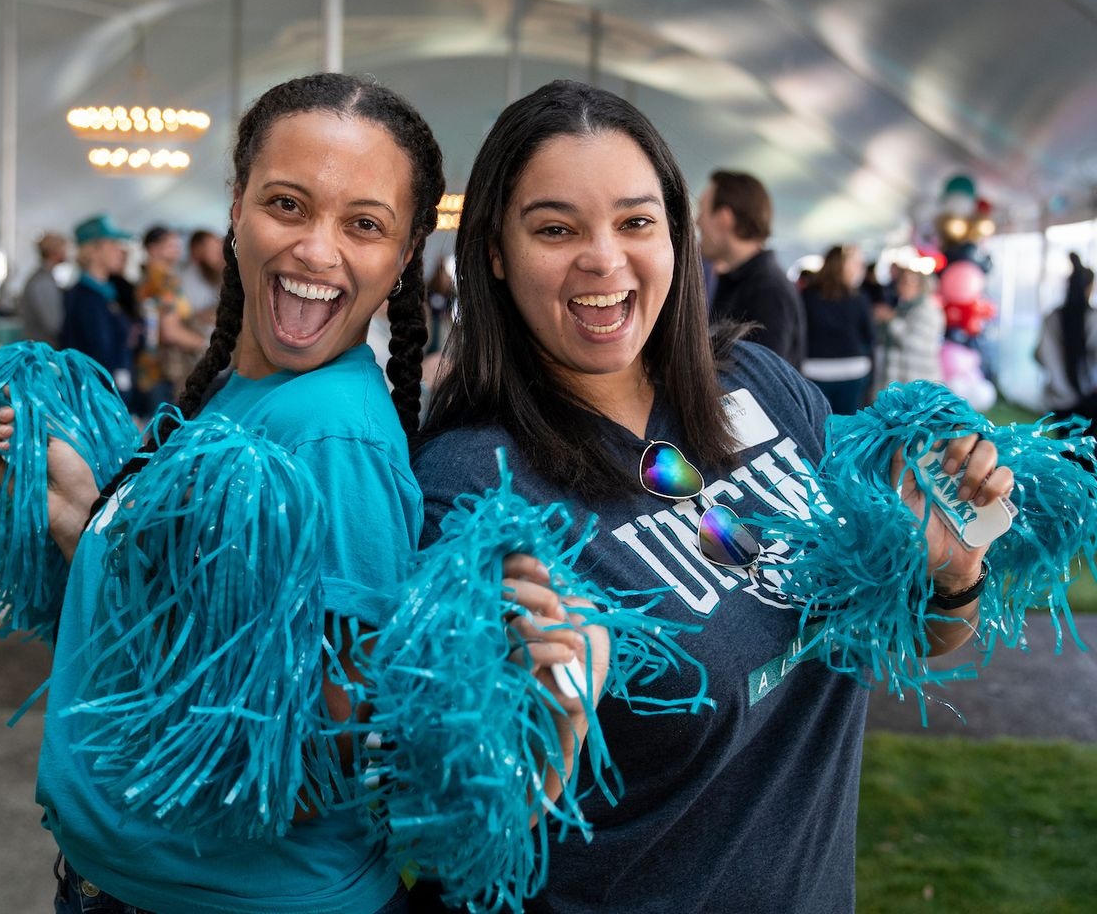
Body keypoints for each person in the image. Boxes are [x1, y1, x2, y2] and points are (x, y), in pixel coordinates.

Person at [0, 73, 593, 914]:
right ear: (236, 207)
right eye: (287, 204)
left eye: (364, 224)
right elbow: (185, 630)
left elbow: (329, 765)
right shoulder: (246, 393)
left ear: (405, 252)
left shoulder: (327, 433)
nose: (316, 249)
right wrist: (82, 518)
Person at [416, 79, 1013, 914]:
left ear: (677, 238)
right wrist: (543, 745)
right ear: (493, 254)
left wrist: (952, 575)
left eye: (635, 221)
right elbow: (449, 835)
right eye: (556, 228)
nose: (603, 257)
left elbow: (914, 644)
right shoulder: (472, 484)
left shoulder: (764, 386)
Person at [696, 169, 805, 366]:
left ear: (724, 218)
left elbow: (763, 381)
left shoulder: (769, 291)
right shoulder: (738, 280)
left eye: (702, 211)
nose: (697, 221)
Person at [1035, 252, 1097, 423]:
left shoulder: (1052, 318)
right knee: (1086, 447)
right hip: (1091, 399)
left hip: (1059, 399)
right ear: (1091, 286)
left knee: (1064, 446)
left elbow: (1040, 355)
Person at [133, 224, 206, 413]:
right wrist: (205, 344)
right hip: (168, 369)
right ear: (152, 248)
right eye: (171, 245)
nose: (177, 249)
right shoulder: (163, 281)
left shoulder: (147, 278)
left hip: (153, 370)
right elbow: (169, 332)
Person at [60, 215, 134, 398]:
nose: (120, 250)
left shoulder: (105, 293)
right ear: (93, 251)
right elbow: (99, 355)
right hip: (98, 398)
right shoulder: (87, 298)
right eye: (112, 244)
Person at [800, 244, 876, 414]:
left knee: (820, 424)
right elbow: (869, 335)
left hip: (815, 367)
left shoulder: (808, 296)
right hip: (853, 367)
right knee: (850, 427)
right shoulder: (858, 297)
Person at [874, 262, 944, 387]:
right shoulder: (903, 307)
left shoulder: (927, 309)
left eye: (907, 282)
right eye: (900, 281)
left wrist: (891, 320)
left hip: (918, 382)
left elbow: (915, 343)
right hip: (900, 382)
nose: (900, 286)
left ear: (920, 286)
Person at [18, 231, 68, 346]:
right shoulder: (42, 282)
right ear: (54, 252)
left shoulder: (44, 278)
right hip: (42, 349)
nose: (66, 253)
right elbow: (54, 324)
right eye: (63, 249)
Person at [179, 227, 225, 340]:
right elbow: (191, 316)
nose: (220, 254)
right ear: (197, 250)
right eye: (214, 250)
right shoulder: (187, 280)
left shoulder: (216, 275)